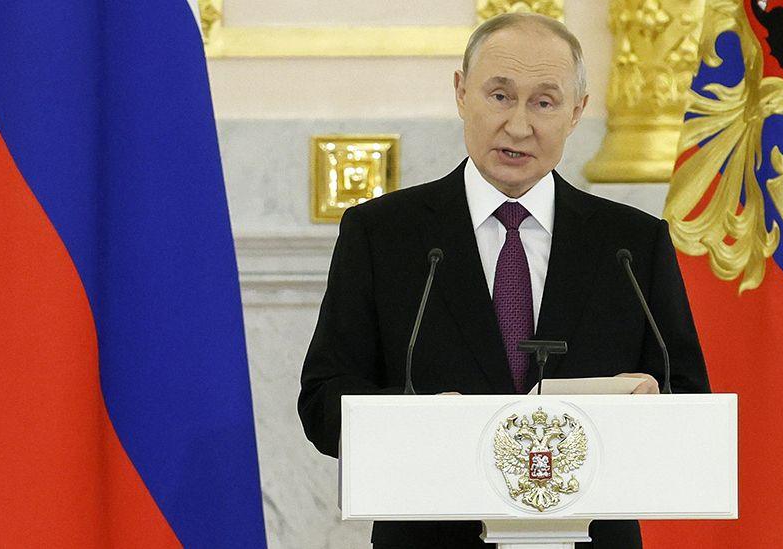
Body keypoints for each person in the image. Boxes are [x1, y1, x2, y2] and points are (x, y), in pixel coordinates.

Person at [299, 12, 710, 549]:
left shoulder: (631, 245)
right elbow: (323, 402)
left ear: (576, 112)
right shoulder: (382, 235)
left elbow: (688, 400)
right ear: (461, 93)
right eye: (499, 96)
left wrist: (653, 409)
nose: (518, 126)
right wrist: (415, 422)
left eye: (544, 102)